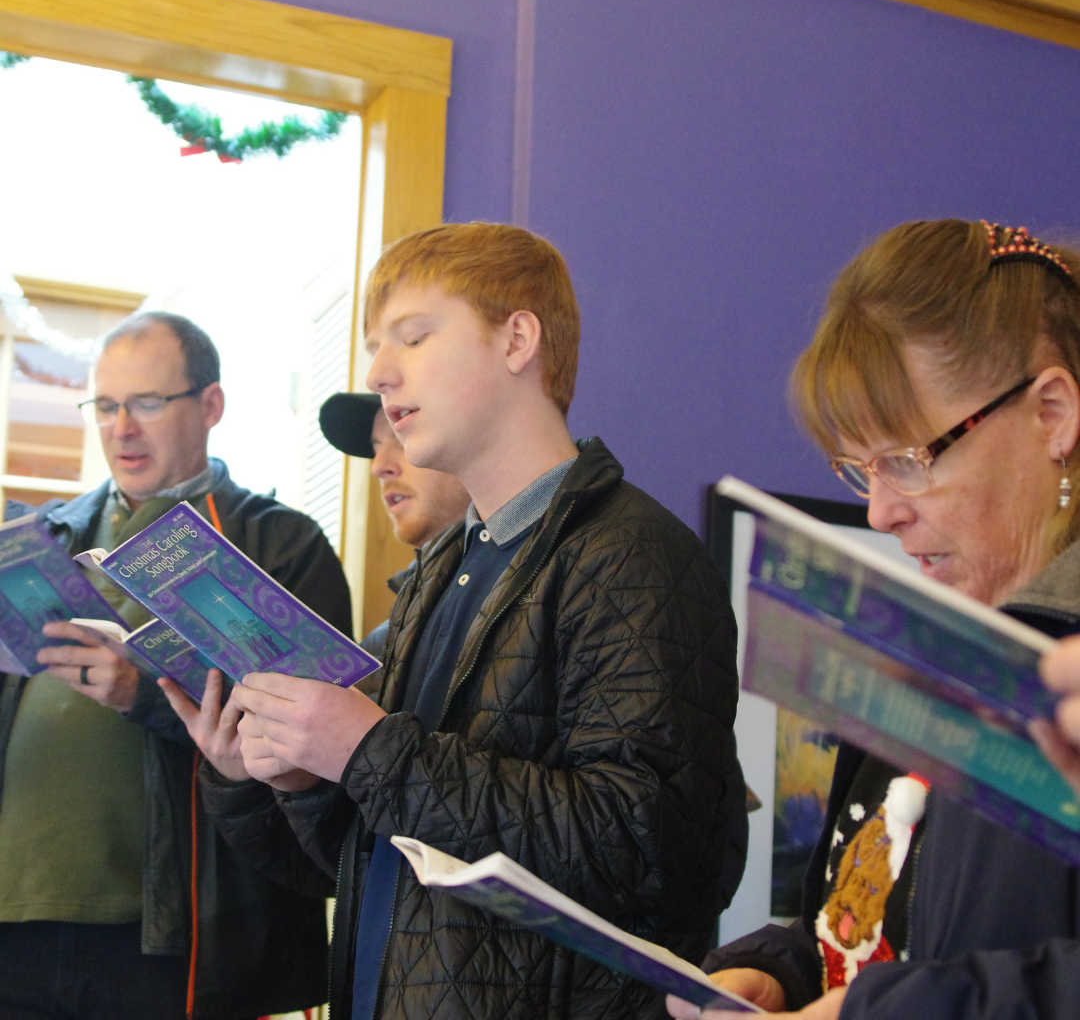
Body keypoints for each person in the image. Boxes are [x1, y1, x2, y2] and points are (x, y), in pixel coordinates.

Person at [206, 221, 745, 1020]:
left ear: (517, 340)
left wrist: (368, 750)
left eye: (415, 336)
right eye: (376, 347)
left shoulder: (633, 555)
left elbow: (651, 854)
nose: (379, 373)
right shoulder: (438, 571)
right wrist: (298, 778)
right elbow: (386, 865)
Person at [668, 218, 1080, 1020]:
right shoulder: (924, 653)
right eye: (862, 470)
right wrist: (783, 969)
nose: (881, 511)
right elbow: (882, 911)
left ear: (1053, 415)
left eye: (906, 460)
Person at [0, 312, 351, 1020]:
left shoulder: (279, 544)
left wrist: (146, 693)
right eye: (105, 405)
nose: (122, 428)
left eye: (148, 402)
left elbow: (310, 746)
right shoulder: (42, 535)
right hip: (16, 920)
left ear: (210, 404)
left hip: (170, 943)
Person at [318, 390, 471, 658]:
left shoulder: (540, 585)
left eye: (402, 438)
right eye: (376, 449)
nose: (377, 467)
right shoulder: (380, 649)